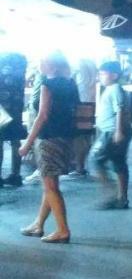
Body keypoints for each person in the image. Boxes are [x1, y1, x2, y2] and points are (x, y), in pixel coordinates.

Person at [18, 53, 77, 243]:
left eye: (41, 61)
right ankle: (38, 224)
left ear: (51, 65)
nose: (38, 64)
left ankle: (62, 230)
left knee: (51, 187)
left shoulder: (48, 84)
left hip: (48, 138)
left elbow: (42, 115)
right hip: (65, 137)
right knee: (50, 185)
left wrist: (27, 142)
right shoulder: (70, 84)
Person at [90, 61, 132, 209]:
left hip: (111, 131)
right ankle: (122, 197)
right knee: (118, 163)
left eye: (103, 73)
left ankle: (112, 193)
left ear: (113, 75)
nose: (100, 76)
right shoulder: (112, 89)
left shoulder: (114, 89)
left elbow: (119, 110)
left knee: (95, 160)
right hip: (114, 130)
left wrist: (118, 131)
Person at [0, 53, 28, 187]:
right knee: (15, 140)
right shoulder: (21, 65)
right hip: (16, 108)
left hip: (1, 109)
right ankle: (16, 175)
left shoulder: (2, 62)